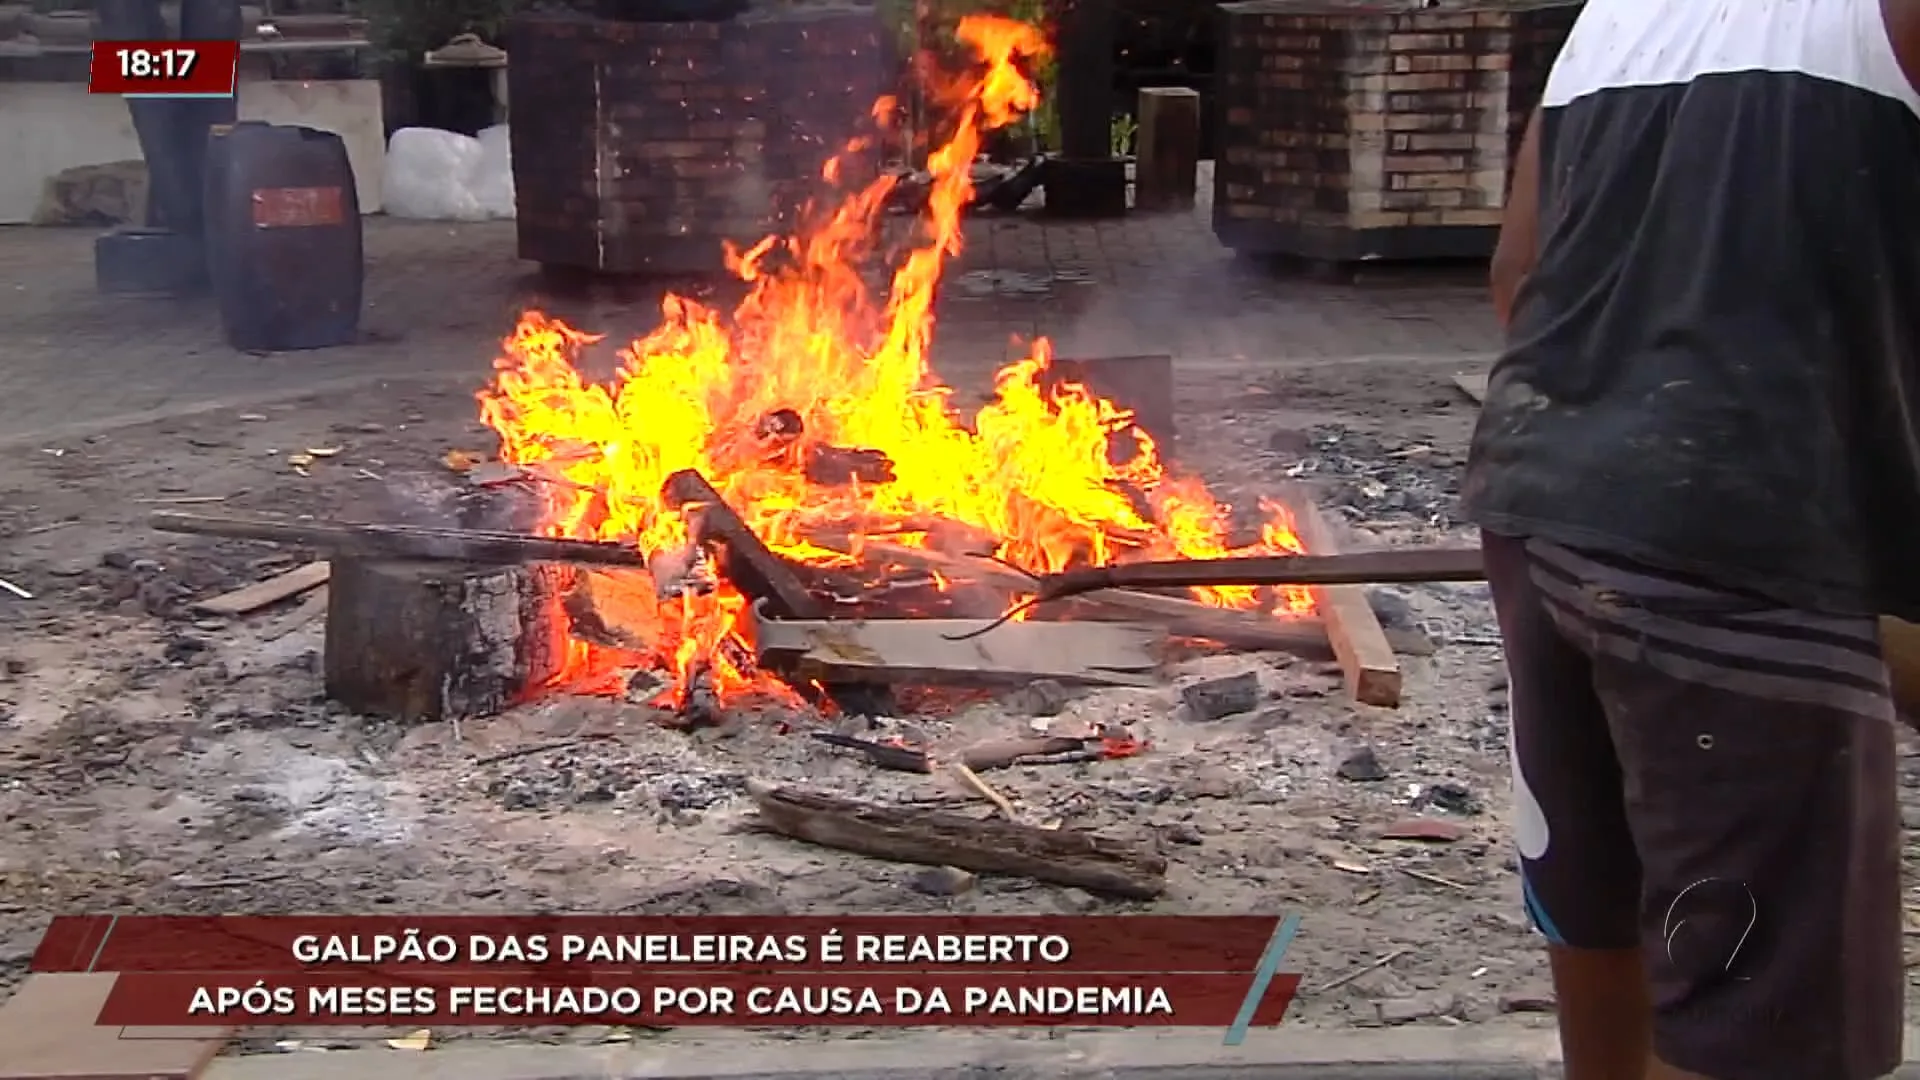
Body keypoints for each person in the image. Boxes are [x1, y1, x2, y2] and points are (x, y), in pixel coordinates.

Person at [1462, 1, 1920, 1078]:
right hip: (1744, 540)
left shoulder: (1618, 16)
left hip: (1542, 511)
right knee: (1760, 1028)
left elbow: (1516, 279)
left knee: (1607, 928)